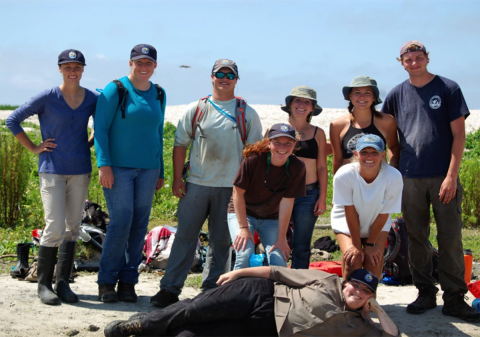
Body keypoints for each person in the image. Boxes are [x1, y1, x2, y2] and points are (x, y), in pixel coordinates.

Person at [150, 59, 263, 307]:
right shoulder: (196, 108)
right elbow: (180, 144)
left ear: (236, 79)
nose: (224, 78)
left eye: (230, 75)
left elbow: (255, 154)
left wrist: (249, 189)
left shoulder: (248, 113)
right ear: (211, 77)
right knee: (185, 237)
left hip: (232, 188)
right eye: (219, 73)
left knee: (222, 241)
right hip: (197, 184)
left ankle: (211, 292)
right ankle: (169, 289)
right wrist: (177, 178)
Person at [381, 40, 480, 322]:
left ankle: (454, 297)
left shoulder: (448, 88)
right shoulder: (397, 94)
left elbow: (459, 136)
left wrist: (451, 176)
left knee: (450, 238)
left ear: (427, 58)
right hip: (410, 177)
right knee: (416, 237)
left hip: (442, 176)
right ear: (400, 62)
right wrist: (394, 169)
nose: (414, 62)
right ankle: (425, 291)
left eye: (418, 57)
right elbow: (390, 135)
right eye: (408, 59)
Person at [6, 49, 97, 305]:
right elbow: (13, 120)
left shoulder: (92, 98)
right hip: (52, 170)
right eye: (67, 67)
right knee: (54, 226)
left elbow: (104, 123)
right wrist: (34, 147)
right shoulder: (48, 96)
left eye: (77, 67)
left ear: (83, 69)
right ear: (59, 69)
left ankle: (63, 283)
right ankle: (44, 285)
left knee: (73, 228)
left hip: (80, 170)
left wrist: (90, 140)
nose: (72, 71)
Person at [104, 267, 399, 337]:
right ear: (346, 283)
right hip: (261, 294)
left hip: (264, 330)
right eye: (355, 286)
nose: (358, 292)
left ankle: (152, 330)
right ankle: (140, 325)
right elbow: (275, 271)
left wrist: (375, 309)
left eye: (365, 292)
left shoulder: (361, 326)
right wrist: (238, 272)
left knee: (196, 333)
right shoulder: (325, 279)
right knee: (195, 309)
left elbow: (392, 335)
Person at [94, 44, 166, 303]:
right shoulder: (117, 89)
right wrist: (104, 165)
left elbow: (158, 132)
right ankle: (106, 282)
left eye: (148, 63)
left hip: (149, 169)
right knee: (121, 222)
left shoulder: (159, 92)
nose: (143, 67)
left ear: (155, 66)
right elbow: (100, 129)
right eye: (139, 62)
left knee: (138, 225)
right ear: (130, 63)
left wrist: (161, 170)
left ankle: (128, 281)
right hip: (118, 169)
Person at [228, 123, 307, 270]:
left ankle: (273, 291)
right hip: (244, 213)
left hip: (272, 218)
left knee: (279, 260)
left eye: (288, 143)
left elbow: (287, 203)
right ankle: (234, 290)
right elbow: (237, 193)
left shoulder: (298, 166)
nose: (282, 147)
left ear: (294, 144)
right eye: (277, 142)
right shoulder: (254, 159)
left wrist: (282, 238)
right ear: (268, 143)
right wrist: (244, 227)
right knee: (245, 253)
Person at [331, 134, 403, 280]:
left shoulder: (393, 176)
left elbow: (384, 214)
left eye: (374, 152)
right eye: (364, 152)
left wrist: (370, 244)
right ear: (356, 154)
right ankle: (348, 300)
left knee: (374, 261)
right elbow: (349, 212)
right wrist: (357, 245)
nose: (369, 157)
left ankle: (370, 300)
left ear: (383, 155)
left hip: (377, 219)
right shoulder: (344, 174)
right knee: (353, 259)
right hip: (345, 220)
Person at [279, 86, 327, 269]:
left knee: (302, 244)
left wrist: (322, 197)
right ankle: (275, 281)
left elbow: (322, 167)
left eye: (307, 101)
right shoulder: (276, 129)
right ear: (289, 104)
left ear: (313, 108)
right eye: (297, 100)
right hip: (280, 194)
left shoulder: (318, 133)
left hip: (308, 195)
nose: (302, 105)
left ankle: (298, 285)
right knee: (277, 240)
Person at [330, 76, 399, 174]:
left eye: (367, 93)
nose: (362, 97)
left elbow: (393, 147)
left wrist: (392, 172)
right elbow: (337, 159)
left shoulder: (387, 121)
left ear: (374, 97)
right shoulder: (337, 125)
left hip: (380, 180)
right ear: (350, 96)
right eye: (357, 92)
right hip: (350, 183)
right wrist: (337, 185)